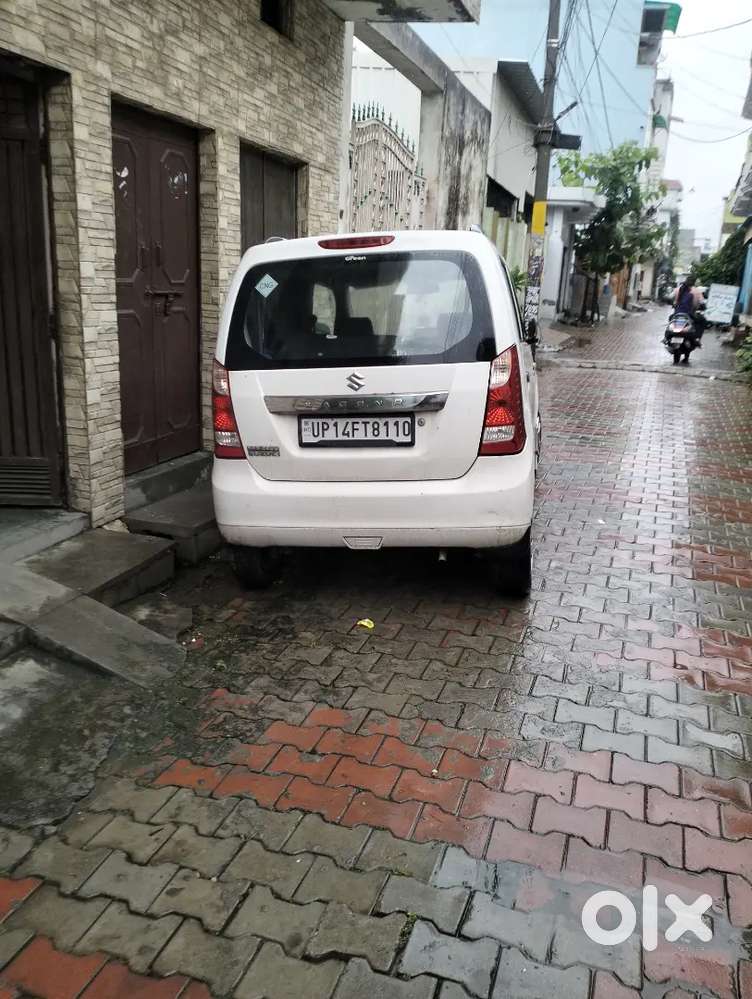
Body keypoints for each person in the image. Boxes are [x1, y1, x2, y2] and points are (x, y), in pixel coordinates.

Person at [673, 276, 706, 342]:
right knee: (702, 321)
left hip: (677, 313)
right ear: (694, 282)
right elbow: (702, 303)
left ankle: (666, 338)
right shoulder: (696, 291)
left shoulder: (678, 289)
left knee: (670, 319)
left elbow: (673, 300)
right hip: (689, 314)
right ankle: (697, 339)